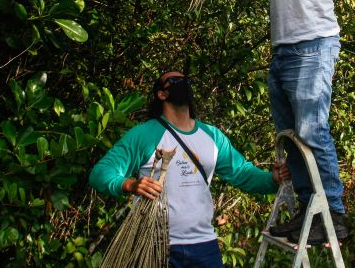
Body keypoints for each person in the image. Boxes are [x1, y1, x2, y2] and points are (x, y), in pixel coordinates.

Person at [221, 0, 348, 245]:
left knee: (312, 131)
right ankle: (310, 214)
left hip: (313, 43)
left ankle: (335, 216)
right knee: (292, 136)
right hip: (285, 49)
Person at [89, 70, 290, 268]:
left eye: (185, 80)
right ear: (161, 93)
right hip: (155, 244)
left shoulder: (212, 135)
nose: (182, 83)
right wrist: (130, 184)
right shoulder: (144, 135)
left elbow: (241, 172)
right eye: (174, 80)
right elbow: (100, 173)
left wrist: (271, 179)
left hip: (204, 245)